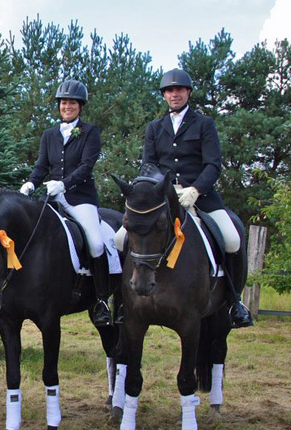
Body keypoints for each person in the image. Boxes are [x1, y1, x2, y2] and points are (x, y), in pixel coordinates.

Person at [118, 68, 252, 328]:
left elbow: (213, 164)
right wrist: (163, 188)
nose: (174, 94)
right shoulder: (155, 127)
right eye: (169, 90)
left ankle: (235, 301)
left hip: (200, 197)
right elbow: (148, 165)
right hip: (164, 198)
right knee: (121, 238)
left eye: (179, 89)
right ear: (164, 95)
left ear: (188, 92)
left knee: (233, 239)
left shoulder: (204, 124)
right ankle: (124, 301)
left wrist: (195, 190)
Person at [19, 79, 111, 327]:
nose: (67, 106)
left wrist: (65, 184)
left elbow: (86, 166)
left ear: (80, 106)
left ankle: (102, 300)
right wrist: (29, 184)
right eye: (63, 102)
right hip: (51, 196)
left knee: (96, 243)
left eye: (71, 103)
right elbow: (41, 166)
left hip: (80, 197)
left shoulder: (90, 132)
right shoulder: (49, 134)